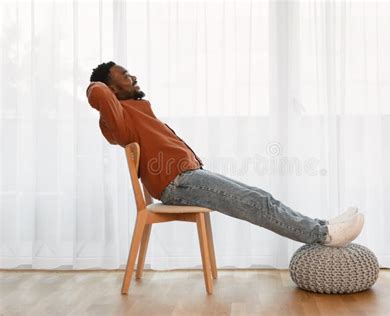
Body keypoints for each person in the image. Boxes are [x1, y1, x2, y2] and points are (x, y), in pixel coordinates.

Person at [86, 61, 364, 247]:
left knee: (261, 197)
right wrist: (94, 85)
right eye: (124, 75)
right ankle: (323, 235)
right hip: (176, 183)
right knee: (256, 201)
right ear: (112, 88)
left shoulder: (137, 109)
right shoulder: (116, 118)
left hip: (188, 177)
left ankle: (321, 225)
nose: (133, 76)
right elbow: (97, 92)